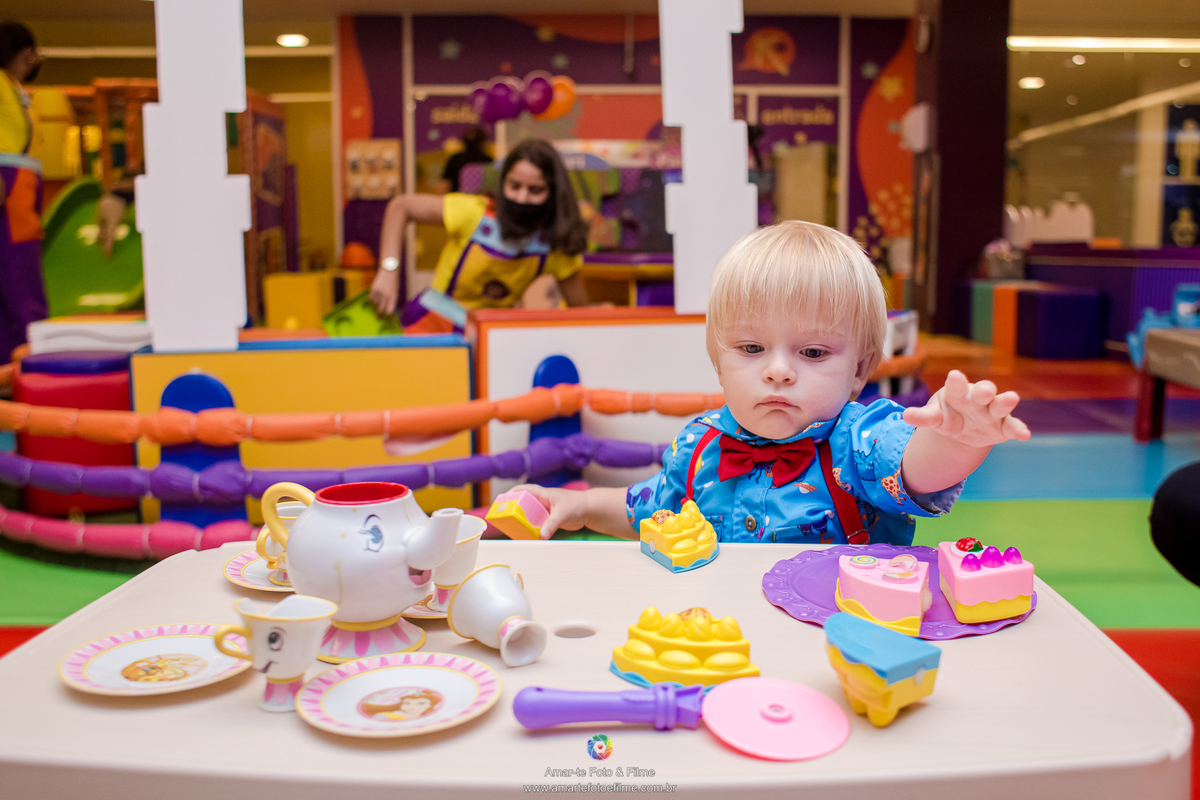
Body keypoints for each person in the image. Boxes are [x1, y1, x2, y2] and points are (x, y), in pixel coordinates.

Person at [516, 221, 1031, 543]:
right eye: (751, 349)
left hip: (839, 644)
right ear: (718, 362)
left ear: (859, 369)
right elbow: (650, 511)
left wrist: (957, 440)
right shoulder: (698, 447)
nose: (778, 370)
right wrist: (583, 505)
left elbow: (916, 468)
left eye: (812, 352)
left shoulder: (860, 440)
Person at [369, 137, 589, 316]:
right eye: (514, 186)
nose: (521, 197)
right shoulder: (474, 213)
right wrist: (389, 269)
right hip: (434, 323)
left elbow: (580, 312)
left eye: (535, 190)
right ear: (503, 182)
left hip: (491, 333)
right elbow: (401, 207)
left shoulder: (554, 245)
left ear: (554, 193)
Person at [0, 20, 47, 362]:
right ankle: (23, 360)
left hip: (20, 183)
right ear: (26, 52)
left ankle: (15, 360)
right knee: (17, 282)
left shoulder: (12, 87)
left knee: (18, 281)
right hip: (10, 183)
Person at [440, 126, 492, 194]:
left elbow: (445, 184)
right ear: (483, 141)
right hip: (481, 199)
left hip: (458, 199)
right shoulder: (488, 160)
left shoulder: (455, 158)